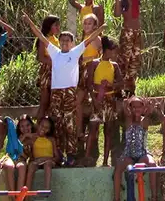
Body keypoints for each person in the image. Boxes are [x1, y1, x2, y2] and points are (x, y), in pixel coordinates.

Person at [23, 11, 105, 167]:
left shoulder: (75, 53)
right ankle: (58, 154)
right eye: (63, 40)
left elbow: (90, 39)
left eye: (68, 40)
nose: (65, 43)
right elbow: (40, 35)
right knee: (56, 122)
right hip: (56, 93)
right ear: (59, 42)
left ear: (73, 43)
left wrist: (101, 28)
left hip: (69, 92)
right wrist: (28, 21)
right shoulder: (55, 52)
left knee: (70, 124)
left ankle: (71, 154)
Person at [82, 35, 121, 167]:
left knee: (108, 131)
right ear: (106, 50)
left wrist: (112, 86)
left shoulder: (114, 65)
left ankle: (105, 161)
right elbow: (89, 84)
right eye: (113, 50)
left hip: (109, 101)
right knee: (93, 130)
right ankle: (87, 158)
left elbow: (121, 83)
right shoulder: (94, 63)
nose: (114, 53)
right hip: (97, 100)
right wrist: (94, 100)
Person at [113, 97, 157, 201]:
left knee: (152, 164)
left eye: (139, 106)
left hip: (142, 153)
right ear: (130, 108)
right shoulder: (128, 121)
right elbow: (125, 110)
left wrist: (148, 108)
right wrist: (126, 104)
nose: (136, 109)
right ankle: (116, 198)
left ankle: (154, 196)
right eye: (134, 107)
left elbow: (148, 114)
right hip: (128, 154)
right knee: (118, 167)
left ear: (143, 108)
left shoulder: (144, 121)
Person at [113, 0, 145, 95]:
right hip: (127, 32)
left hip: (137, 32)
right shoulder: (122, 0)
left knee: (135, 59)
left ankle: (130, 89)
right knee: (124, 60)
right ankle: (118, 89)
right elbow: (116, 14)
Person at [34, 15, 61, 118]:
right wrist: (54, 62)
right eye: (56, 25)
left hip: (56, 71)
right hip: (47, 71)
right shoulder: (43, 39)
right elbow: (40, 57)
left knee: (52, 101)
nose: (58, 28)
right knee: (44, 102)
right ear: (49, 26)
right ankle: (39, 125)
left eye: (59, 25)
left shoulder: (56, 39)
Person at [5, 115, 34, 192]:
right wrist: (23, 137)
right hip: (11, 158)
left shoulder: (34, 138)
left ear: (31, 125)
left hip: (21, 160)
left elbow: (31, 155)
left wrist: (27, 136)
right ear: (19, 128)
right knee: (9, 166)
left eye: (27, 125)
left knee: (22, 167)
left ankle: (19, 197)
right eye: (22, 126)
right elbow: (13, 150)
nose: (25, 128)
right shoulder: (18, 138)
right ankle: (13, 198)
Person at [26, 117, 56, 192]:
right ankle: (26, 194)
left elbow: (57, 156)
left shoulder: (51, 139)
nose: (43, 129)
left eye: (46, 128)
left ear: (49, 130)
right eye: (42, 126)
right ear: (38, 125)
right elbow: (21, 146)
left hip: (49, 160)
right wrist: (25, 135)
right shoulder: (33, 138)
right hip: (37, 161)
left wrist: (47, 159)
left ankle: (47, 189)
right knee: (31, 166)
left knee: (47, 164)